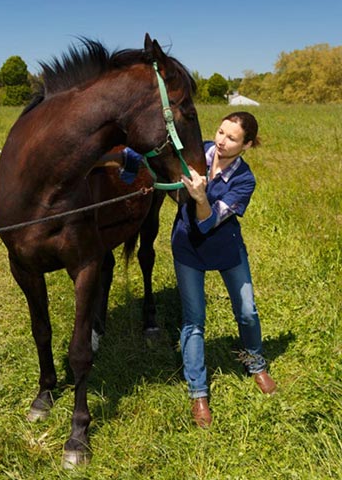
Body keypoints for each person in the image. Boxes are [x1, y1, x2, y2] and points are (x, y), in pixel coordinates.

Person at [98, 111, 276, 427]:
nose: (222, 141)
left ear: (246, 145)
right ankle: (198, 392)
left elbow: (208, 220)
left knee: (247, 311)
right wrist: (113, 156)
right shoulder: (195, 154)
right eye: (221, 132)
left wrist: (199, 197)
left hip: (226, 249)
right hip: (188, 249)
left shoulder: (244, 179)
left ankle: (256, 363)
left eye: (232, 138)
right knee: (194, 321)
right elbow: (150, 158)